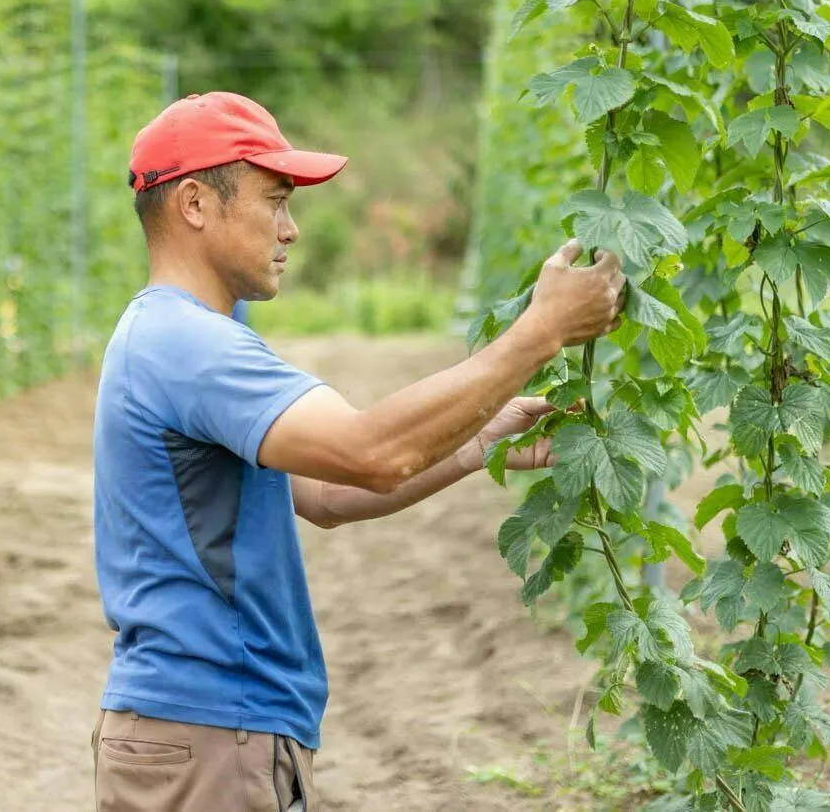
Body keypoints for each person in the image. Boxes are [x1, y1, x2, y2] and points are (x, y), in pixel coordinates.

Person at [89, 92, 625, 812]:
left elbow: (325, 492)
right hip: (209, 733)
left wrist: (480, 438)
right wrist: (541, 331)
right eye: (275, 201)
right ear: (194, 204)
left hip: (202, 729)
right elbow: (371, 450)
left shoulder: (178, 334)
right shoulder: (186, 343)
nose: (291, 228)